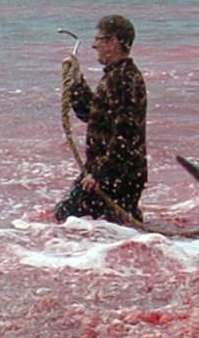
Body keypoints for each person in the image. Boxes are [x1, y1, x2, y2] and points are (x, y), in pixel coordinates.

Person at [56, 14, 149, 223]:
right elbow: (92, 114)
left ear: (112, 42)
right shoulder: (116, 76)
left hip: (118, 174)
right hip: (118, 173)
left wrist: (99, 175)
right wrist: (77, 80)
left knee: (65, 219)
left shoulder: (125, 80)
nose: (93, 45)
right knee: (115, 225)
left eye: (98, 39)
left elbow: (125, 137)